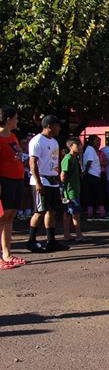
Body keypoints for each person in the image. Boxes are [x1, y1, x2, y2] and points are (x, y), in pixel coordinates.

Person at [26, 115, 69, 253]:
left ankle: (51, 241)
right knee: (40, 211)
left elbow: (55, 161)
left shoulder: (55, 142)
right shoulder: (37, 141)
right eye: (57, 125)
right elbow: (32, 163)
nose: (60, 128)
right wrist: (38, 182)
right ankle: (31, 240)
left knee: (52, 211)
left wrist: (59, 173)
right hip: (41, 180)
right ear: (50, 126)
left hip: (53, 180)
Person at [0, 107, 28, 268]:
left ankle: (7, 254)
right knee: (1, 218)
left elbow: (17, 155)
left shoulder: (13, 136)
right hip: (5, 181)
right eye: (16, 118)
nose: (17, 121)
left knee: (10, 217)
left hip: (17, 179)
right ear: (8, 119)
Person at [60, 137, 86, 242]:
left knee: (67, 212)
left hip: (74, 189)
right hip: (70, 191)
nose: (80, 147)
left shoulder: (75, 158)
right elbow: (63, 175)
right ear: (71, 146)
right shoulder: (68, 158)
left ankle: (67, 234)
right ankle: (78, 234)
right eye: (78, 145)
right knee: (75, 212)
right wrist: (63, 191)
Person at [81, 135, 108, 220]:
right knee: (97, 194)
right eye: (96, 141)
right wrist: (85, 172)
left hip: (94, 174)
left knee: (93, 194)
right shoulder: (90, 149)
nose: (98, 143)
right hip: (92, 175)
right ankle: (99, 212)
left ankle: (92, 212)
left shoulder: (90, 149)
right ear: (92, 141)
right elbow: (89, 162)